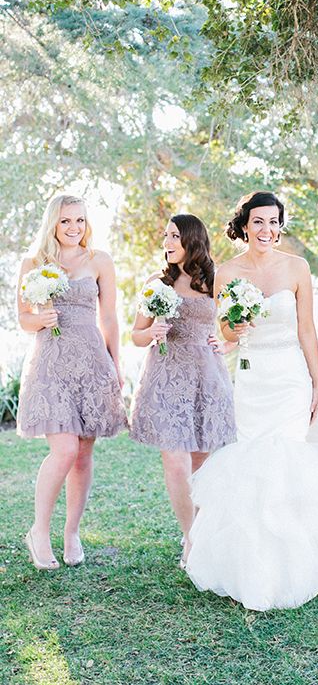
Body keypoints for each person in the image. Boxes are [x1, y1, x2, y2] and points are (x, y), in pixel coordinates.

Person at [185, 191, 318, 610]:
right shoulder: (227, 272)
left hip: (291, 379)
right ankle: (254, 569)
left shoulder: (297, 268)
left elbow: (308, 330)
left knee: (288, 464)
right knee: (252, 466)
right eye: (259, 222)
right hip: (251, 380)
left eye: (274, 222)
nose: (267, 230)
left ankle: (298, 567)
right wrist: (233, 332)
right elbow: (223, 331)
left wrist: (316, 383)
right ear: (244, 226)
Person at [17, 194, 126, 570]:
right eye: (66, 221)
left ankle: (72, 531)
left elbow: (109, 318)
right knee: (63, 450)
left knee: (82, 454)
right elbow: (23, 319)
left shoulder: (100, 260)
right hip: (51, 362)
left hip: (92, 362)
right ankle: (39, 531)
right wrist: (40, 319)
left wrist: (116, 364)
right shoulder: (34, 264)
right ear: (53, 224)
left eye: (79, 220)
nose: (74, 228)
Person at [130, 214, 236, 567]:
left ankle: (203, 527)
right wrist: (153, 333)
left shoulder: (215, 280)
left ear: (192, 239)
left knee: (201, 460)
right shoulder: (157, 283)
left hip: (205, 374)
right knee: (174, 460)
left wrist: (225, 344)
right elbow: (136, 335)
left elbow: (234, 329)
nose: (168, 242)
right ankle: (191, 537)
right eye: (166, 236)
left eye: (174, 236)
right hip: (166, 375)